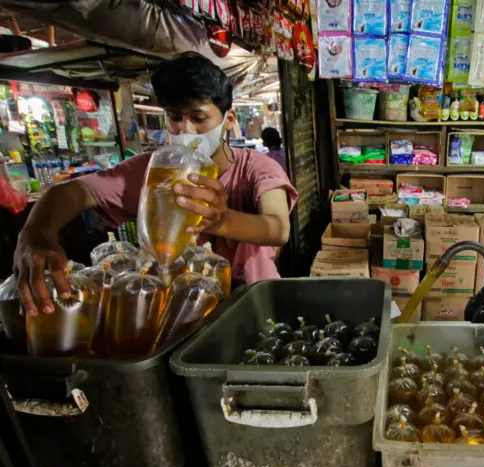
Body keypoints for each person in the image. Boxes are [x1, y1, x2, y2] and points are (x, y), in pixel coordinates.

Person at [14, 51, 297, 317]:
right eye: (175, 118)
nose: (185, 131)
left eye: (198, 118)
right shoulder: (154, 170)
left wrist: (221, 221)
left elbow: (278, 228)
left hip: (250, 304)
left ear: (227, 120)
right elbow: (74, 191)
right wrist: (36, 232)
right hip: (180, 312)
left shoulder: (257, 167)